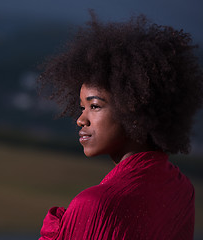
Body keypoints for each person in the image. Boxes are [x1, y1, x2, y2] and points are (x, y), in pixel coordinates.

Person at [37, 11, 203, 240]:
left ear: (133, 110)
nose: (80, 119)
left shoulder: (94, 205)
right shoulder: (182, 189)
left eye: (94, 106)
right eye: (81, 107)